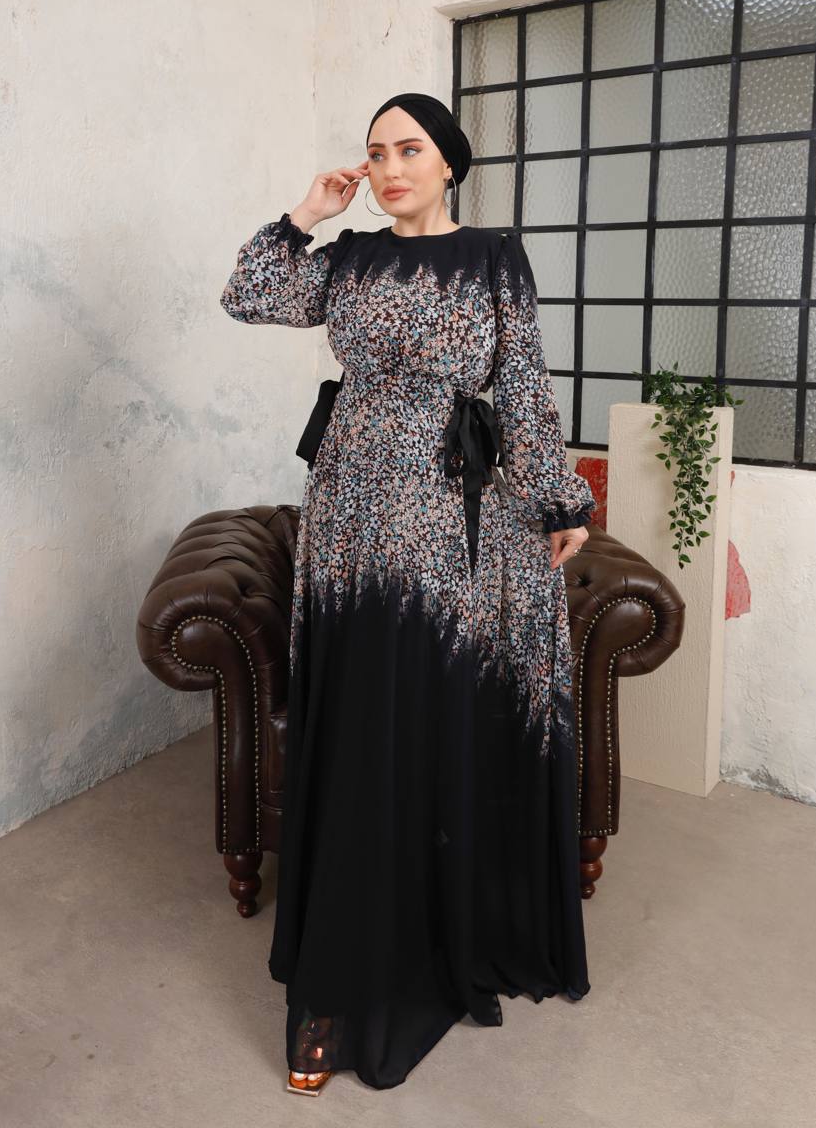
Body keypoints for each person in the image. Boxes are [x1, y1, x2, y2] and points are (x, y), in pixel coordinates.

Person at [220, 92, 595, 1096]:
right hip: (348, 509)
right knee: (357, 730)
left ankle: (436, 927)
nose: (388, 169)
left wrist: (560, 497)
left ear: (448, 163)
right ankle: (334, 987)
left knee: (424, 718)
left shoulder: (493, 259)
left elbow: (523, 385)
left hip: (449, 516)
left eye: (409, 150)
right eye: (375, 153)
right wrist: (307, 213)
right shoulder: (345, 259)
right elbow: (247, 295)